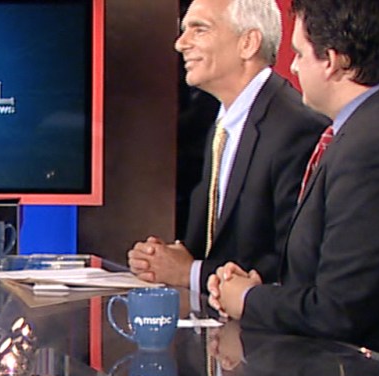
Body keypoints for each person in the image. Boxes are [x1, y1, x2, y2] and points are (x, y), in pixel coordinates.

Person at [208, 0, 379, 376]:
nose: (293, 67)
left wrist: (248, 300)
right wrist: (263, 292)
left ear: (333, 62)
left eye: (300, 54)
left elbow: (337, 310)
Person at [128, 0, 328, 301]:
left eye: (199, 29)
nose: (180, 43)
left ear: (248, 43)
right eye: (184, 30)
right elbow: (217, 245)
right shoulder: (223, 124)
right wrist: (166, 259)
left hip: (264, 326)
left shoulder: (296, 128)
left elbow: (293, 264)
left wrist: (190, 272)